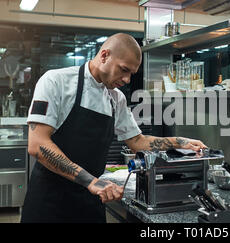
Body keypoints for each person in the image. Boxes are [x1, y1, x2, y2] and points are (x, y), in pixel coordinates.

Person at [20, 33, 207, 223]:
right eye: (123, 70)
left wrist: (180, 142)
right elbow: (38, 145)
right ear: (104, 56)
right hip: (49, 202)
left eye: (131, 74)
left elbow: (138, 142)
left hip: (91, 201)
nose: (126, 79)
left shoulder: (116, 98)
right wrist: (91, 181)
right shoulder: (56, 81)